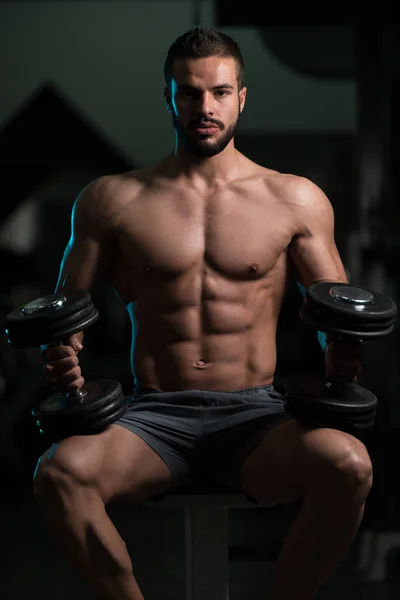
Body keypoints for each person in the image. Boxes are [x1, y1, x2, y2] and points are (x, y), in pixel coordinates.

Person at [34, 26, 372, 600]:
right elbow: (65, 314)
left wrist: (340, 356)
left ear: (242, 96)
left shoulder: (294, 198)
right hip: (152, 420)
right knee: (59, 473)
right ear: (168, 96)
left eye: (219, 92)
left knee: (350, 466)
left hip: (259, 419)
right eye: (189, 93)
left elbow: (337, 310)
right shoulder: (111, 201)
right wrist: (62, 359)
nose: (205, 107)